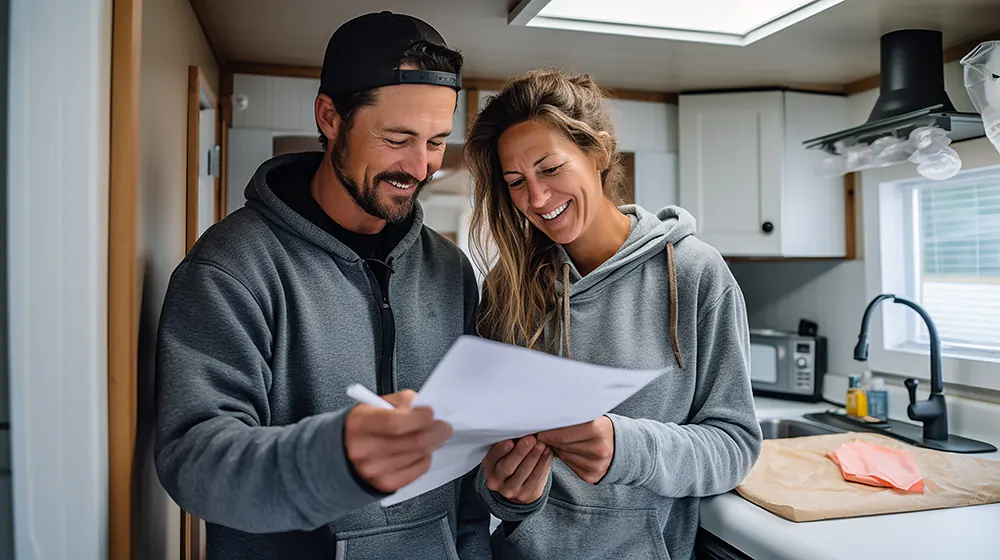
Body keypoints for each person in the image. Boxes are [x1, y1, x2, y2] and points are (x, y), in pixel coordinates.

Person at [154, 11, 491, 560]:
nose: (420, 165)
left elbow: (467, 477)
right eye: (397, 138)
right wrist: (335, 461)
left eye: (435, 141)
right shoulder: (231, 266)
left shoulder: (450, 271)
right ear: (330, 116)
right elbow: (194, 461)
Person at [464, 68, 764, 559]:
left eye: (551, 168)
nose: (536, 199)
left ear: (599, 153)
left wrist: (625, 448)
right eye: (516, 182)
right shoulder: (508, 285)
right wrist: (506, 493)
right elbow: (485, 454)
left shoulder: (694, 273)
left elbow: (734, 447)